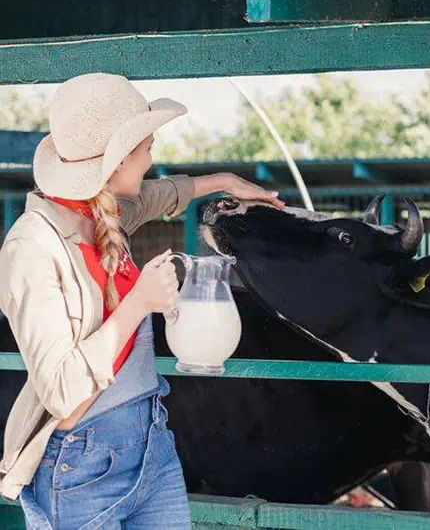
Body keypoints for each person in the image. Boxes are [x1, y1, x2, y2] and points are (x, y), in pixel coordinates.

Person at [0, 73, 284, 529]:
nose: (153, 158)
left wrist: (226, 181)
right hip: (82, 467)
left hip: (152, 443)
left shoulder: (100, 212)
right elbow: (60, 389)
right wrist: (139, 302)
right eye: (147, 147)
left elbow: (160, 195)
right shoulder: (31, 250)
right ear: (116, 163)